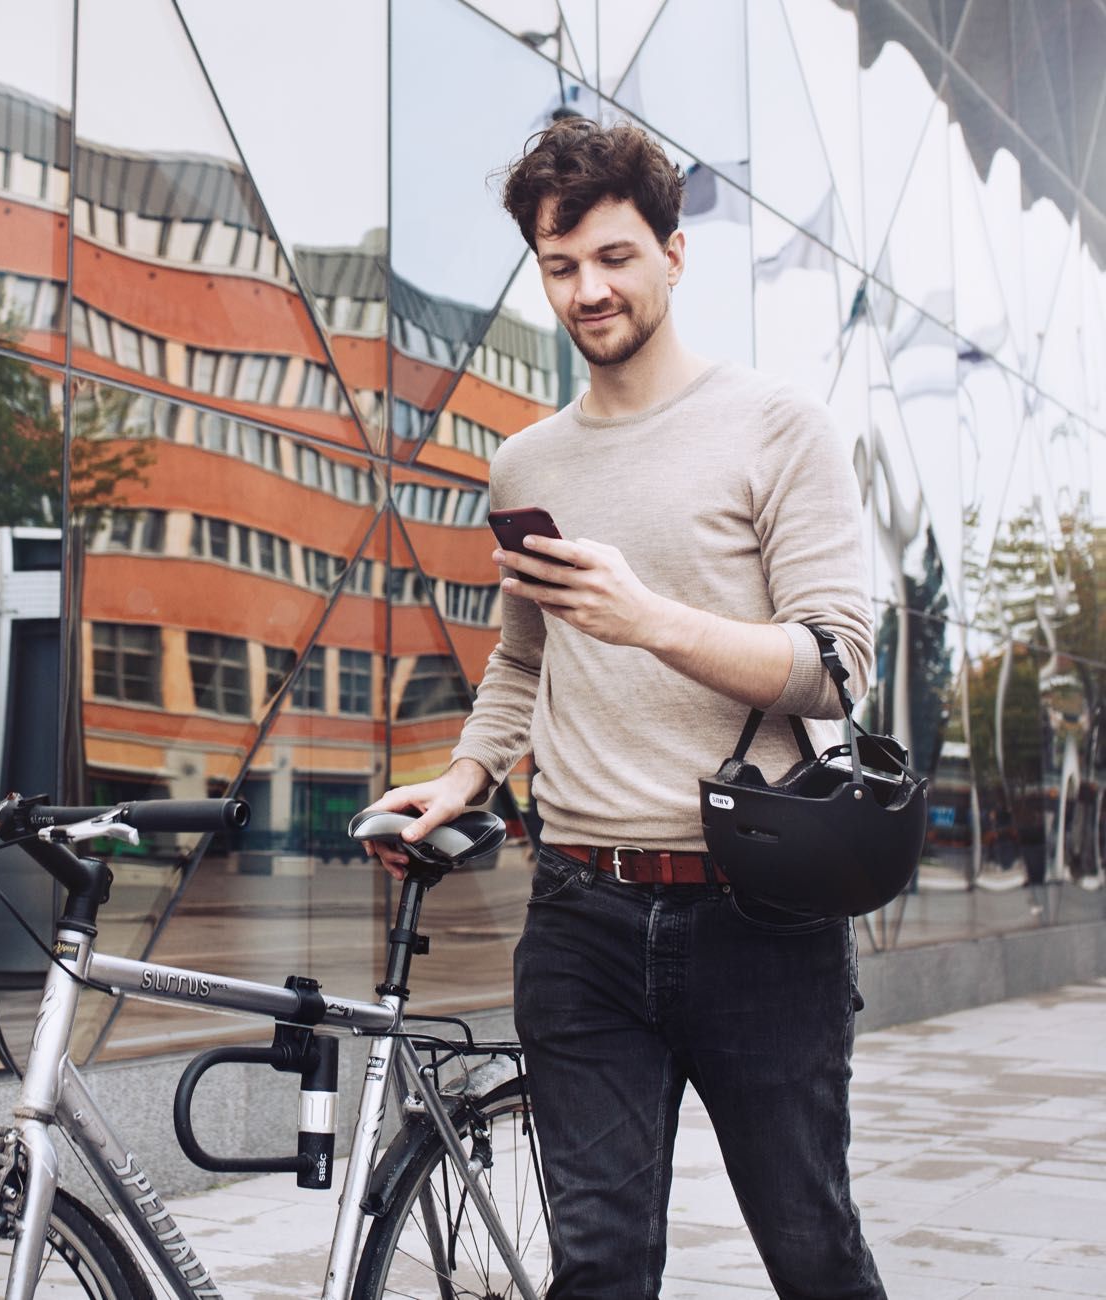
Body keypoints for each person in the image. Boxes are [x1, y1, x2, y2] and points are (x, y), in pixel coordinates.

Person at [365, 118, 886, 1298]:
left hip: (758, 921)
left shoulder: (777, 427)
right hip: (580, 919)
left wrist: (650, 616)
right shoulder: (527, 465)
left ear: (673, 253)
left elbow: (838, 667)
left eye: (612, 257)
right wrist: (464, 779)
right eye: (560, 268)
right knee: (596, 1263)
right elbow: (523, 660)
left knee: (811, 1249)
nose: (588, 290)